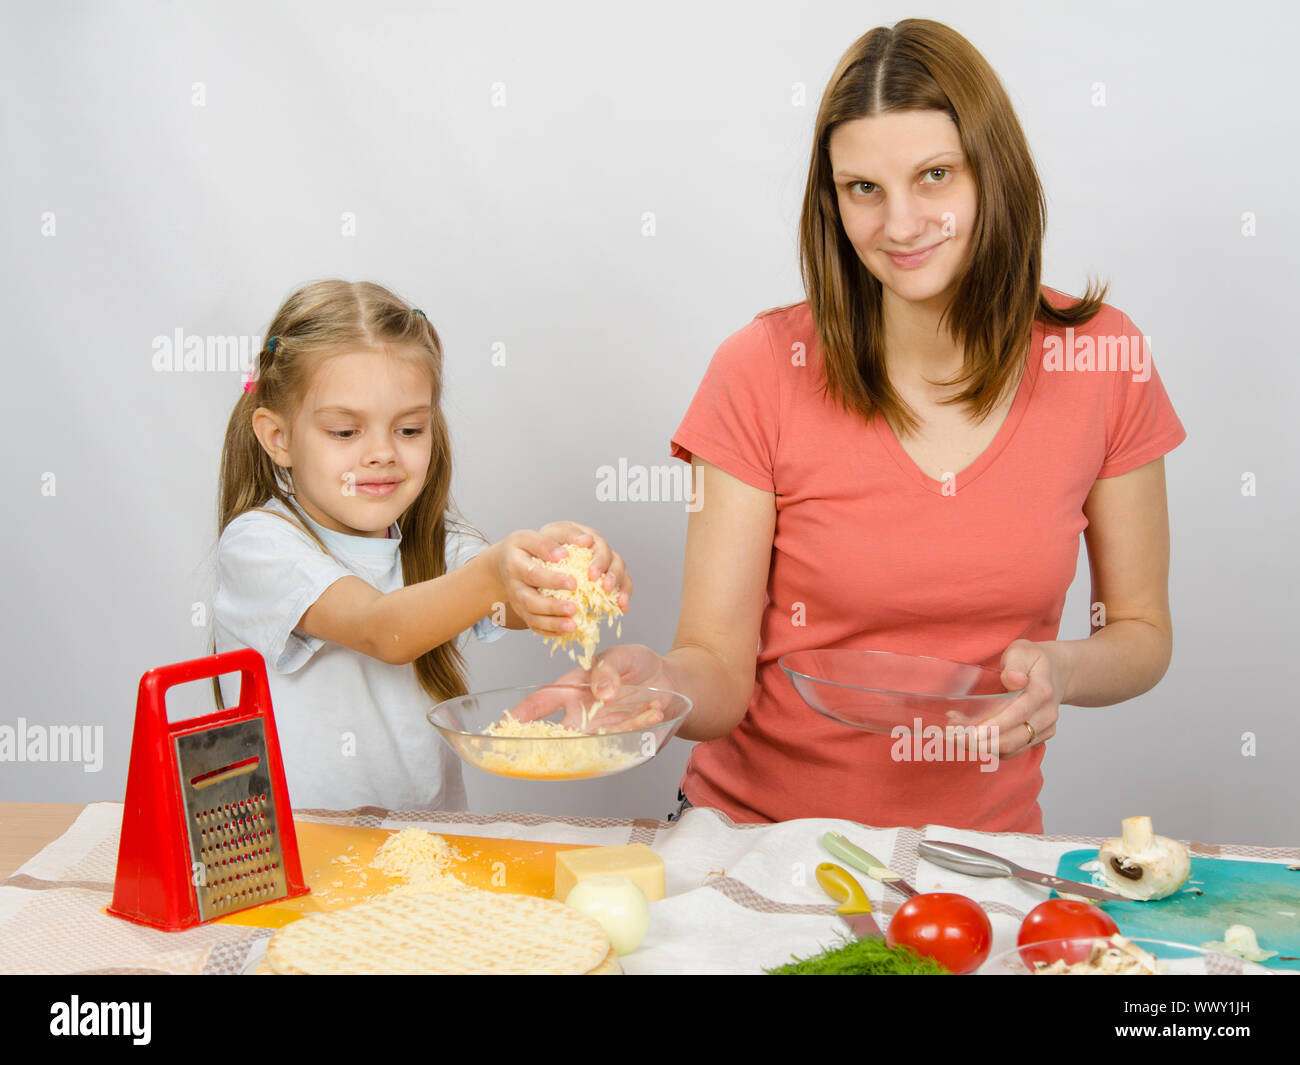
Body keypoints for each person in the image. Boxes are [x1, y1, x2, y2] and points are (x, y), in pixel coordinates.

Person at [553, 19, 1186, 832]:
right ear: (832, 200)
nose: (900, 224)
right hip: (754, 836)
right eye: (863, 189)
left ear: (994, 173)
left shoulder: (1103, 359)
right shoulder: (758, 369)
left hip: (979, 851)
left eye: (934, 176)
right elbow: (717, 663)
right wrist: (657, 685)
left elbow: (1140, 632)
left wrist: (1061, 669)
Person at [211, 279, 634, 811]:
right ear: (279, 438)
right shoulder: (261, 544)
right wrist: (496, 571)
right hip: (306, 854)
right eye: (345, 432)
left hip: (426, 847)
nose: (382, 453)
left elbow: (507, 604)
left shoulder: (436, 543)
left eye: (409, 429)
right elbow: (381, 629)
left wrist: (563, 577)